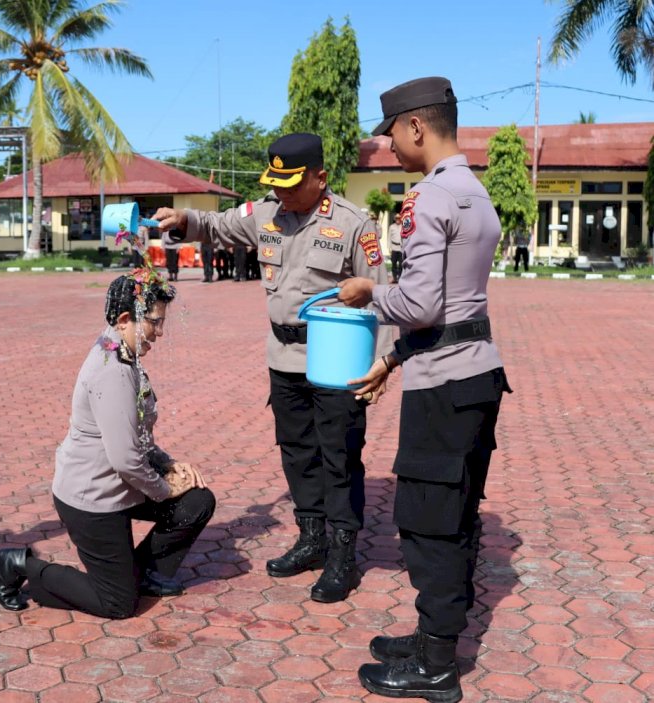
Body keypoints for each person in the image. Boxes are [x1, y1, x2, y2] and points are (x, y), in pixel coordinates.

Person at [154, 133, 389, 603]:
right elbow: (216, 225)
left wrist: (381, 363)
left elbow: (381, 295)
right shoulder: (266, 214)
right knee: (298, 452)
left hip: (336, 355)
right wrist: (183, 219)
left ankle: (343, 553)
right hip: (282, 357)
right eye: (276, 183)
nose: (282, 193)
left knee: (339, 456)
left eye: (292, 183)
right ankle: (312, 538)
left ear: (320, 178)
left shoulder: (352, 224)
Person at [338, 77, 511, 702]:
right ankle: (435, 636)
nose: (387, 146)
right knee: (456, 510)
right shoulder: (476, 190)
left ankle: (437, 666)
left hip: (445, 386)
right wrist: (393, 362)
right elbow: (456, 310)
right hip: (477, 374)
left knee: (428, 521)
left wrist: (366, 294)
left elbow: (420, 301)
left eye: (389, 134)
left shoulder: (428, 197)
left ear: (416, 126)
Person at [0, 265, 215, 619]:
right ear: (125, 319)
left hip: (122, 486)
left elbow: (136, 437)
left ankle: (143, 575)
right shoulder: (112, 371)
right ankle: (21, 565)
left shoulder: (121, 351)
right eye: (154, 322)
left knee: (197, 501)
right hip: (93, 499)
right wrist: (164, 488)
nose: (159, 333)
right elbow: (127, 459)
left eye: (161, 322)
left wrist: (169, 465)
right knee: (117, 604)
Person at [388, 212, 403, 283]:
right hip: (393, 247)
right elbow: (389, 238)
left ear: (401, 219)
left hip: (401, 248)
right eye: (396, 218)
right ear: (395, 219)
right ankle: (394, 278)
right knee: (393, 264)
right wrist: (389, 248)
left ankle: (400, 277)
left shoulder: (403, 227)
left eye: (399, 218)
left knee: (401, 264)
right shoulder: (391, 227)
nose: (398, 219)